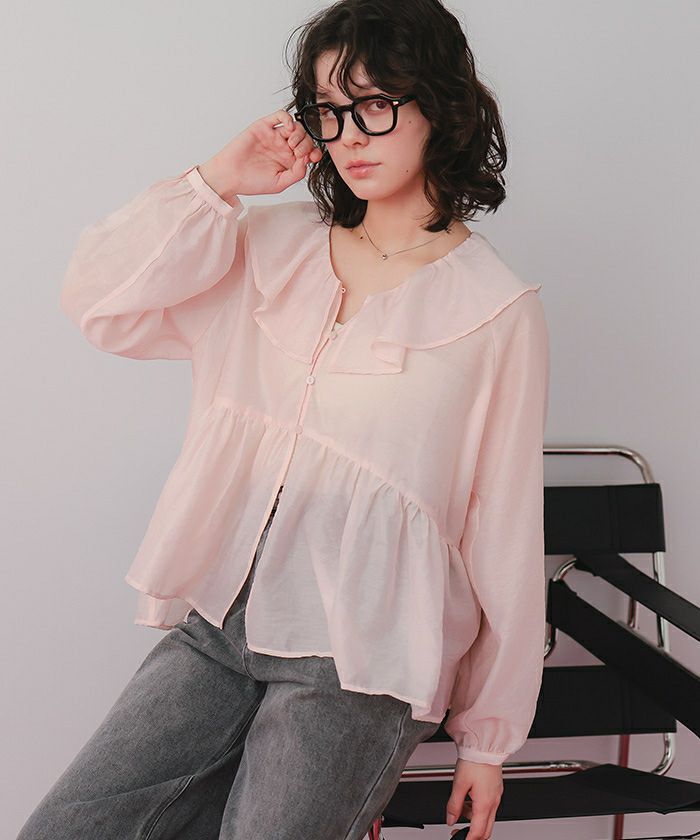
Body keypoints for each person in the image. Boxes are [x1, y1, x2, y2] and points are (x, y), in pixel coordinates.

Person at [18, 1, 549, 838]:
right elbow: (100, 304)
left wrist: (488, 739)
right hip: (220, 621)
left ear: (440, 104)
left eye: (375, 104)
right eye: (328, 111)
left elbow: (503, 528)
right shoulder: (269, 246)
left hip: (361, 659)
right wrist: (217, 181)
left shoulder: (497, 310)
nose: (350, 136)